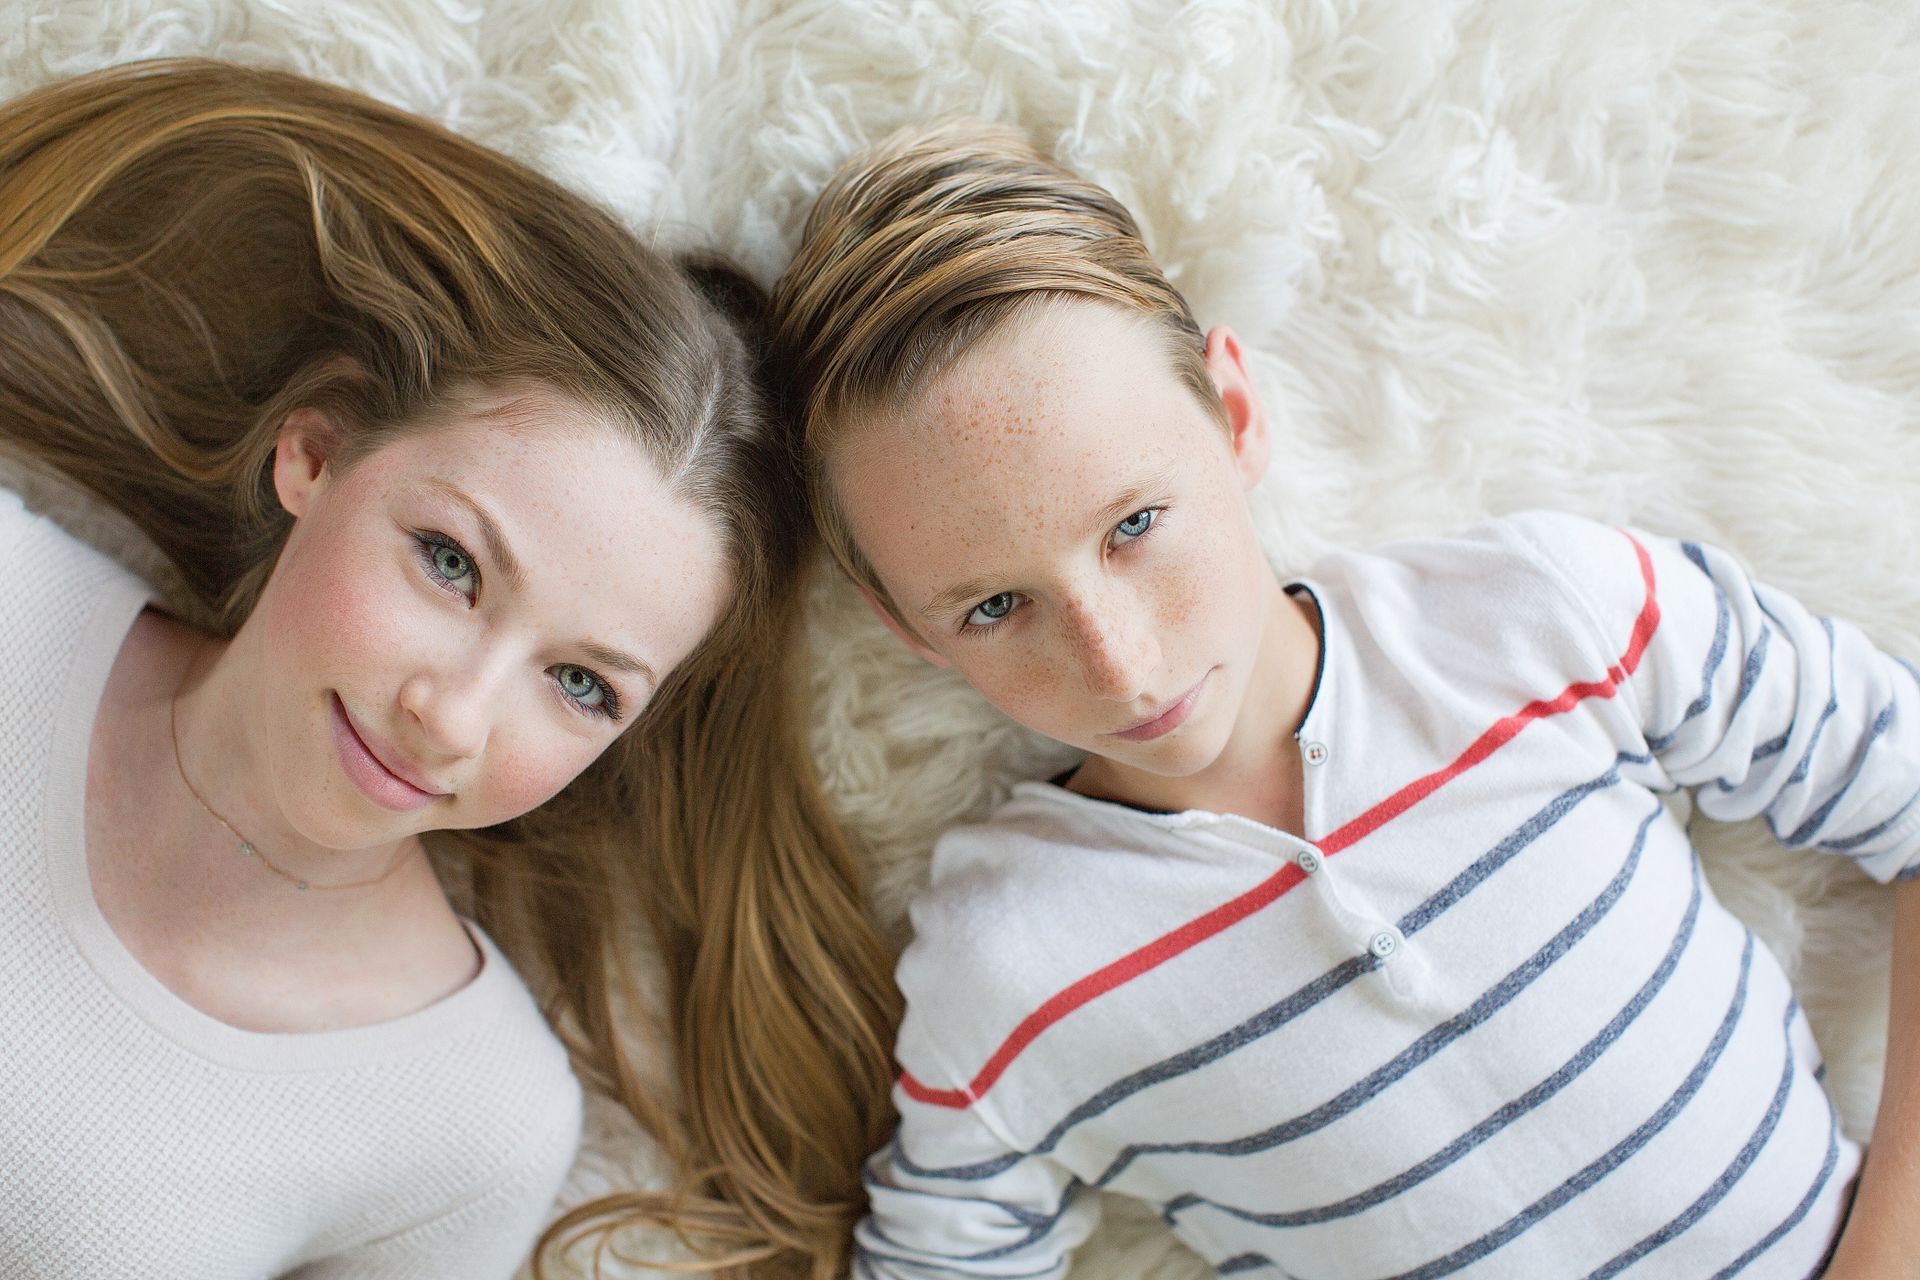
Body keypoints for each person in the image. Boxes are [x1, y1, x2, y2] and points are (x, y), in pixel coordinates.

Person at [767, 120, 1920, 1279]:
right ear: (898, 621)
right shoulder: (1003, 962)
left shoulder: (1542, 614)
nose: (1122, 666)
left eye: (1134, 526)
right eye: (994, 608)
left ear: (1236, 411)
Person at [0, 59, 898, 1280]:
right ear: (315, 453)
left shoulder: (471, 1122)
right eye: (451, 563)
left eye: (583, 684)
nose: (451, 718)